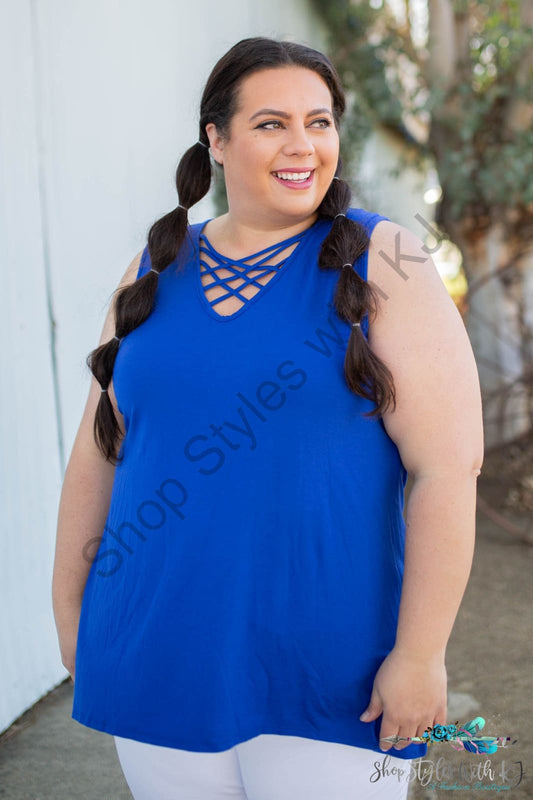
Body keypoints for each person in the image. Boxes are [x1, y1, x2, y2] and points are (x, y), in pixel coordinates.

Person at [52, 36, 484, 800]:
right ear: (214, 140)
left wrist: (421, 655)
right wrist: (69, 605)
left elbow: (446, 470)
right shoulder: (153, 265)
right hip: (155, 643)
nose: (302, 146)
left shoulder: (387, 261)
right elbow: (101, 448)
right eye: (271, 124)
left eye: (319, 122)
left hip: (332, 666)